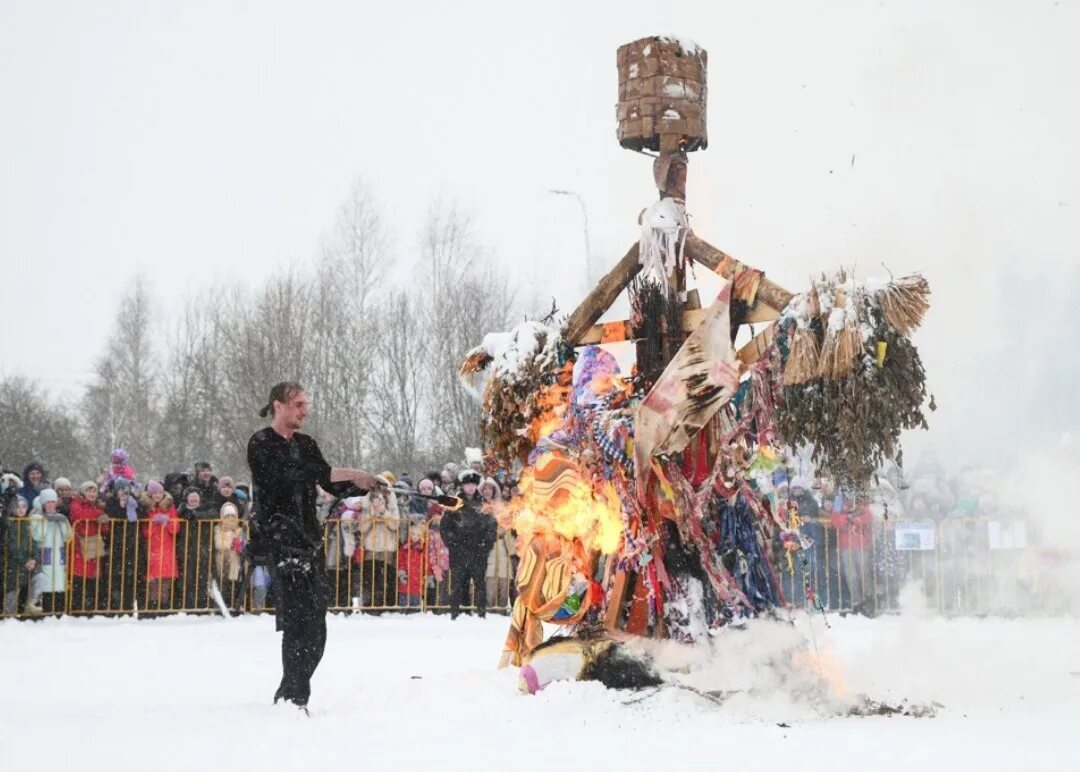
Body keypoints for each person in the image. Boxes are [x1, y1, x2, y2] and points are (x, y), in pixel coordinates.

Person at [246, 381, 376, 712]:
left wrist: (362, 485)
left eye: (305, 404)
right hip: (280, 538)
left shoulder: (306, 443)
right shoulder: (260, 443)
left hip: (309, 538)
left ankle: (291, 689)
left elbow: (325, 480)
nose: (305, 411)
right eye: (298, 404)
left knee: (317, 625)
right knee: (296, 621)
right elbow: (293, 475)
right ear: (279, 405)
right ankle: (294, 696)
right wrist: (349, 472)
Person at [441, 469, 497, 619]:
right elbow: (445, 527)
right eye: (467, 484)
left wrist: (485, 546)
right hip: (459, 552)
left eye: (473, 484)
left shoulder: (484, 504)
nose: (470, 487)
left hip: (478, 552)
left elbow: (492, 527)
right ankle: (454, 613)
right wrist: (453, 544)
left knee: (479, 583)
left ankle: (481, 613)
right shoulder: (454, 503)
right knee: (458, 584)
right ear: (462, 486)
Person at [29, 488, 71, 615]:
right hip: (45, 551)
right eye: (48, 502)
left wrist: (62, 522)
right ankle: (47, 609)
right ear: (43, 503)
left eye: (53, 501)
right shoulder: (37, 518)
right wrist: (45, 521)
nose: (51, 504)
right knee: (47, 581)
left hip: (59, 552)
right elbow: (37, 536)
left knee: (59, 580)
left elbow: (68, 535)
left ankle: (59, 610)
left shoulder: (61, 517)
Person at [69, 481, 109, 612]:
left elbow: (104, 529)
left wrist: (104, 523)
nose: (92, 494)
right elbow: (78, 515)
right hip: (80, 544)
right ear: (83, 492)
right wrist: (98, 515)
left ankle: (89, 607)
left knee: (92, 577)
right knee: (79, 577)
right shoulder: (76, 503)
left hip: (93, 543)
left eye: (94, 491)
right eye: (89, 491)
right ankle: (77, 607)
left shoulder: (97, 507)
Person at [141, 482, 180, 612]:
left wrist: (167, 521)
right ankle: (152, 605)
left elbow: (175, 529)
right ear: (150, 495)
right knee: (153, 580)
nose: (157, 495)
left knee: (166, 580)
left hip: (167, 547)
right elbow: (145, 532)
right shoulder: (147, 508)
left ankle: (163, 606)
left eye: (160, 492)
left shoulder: (170, 507)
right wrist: (153, 523)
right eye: (155, 493)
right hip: (153, 547)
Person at [3, 496, 36, 616]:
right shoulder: (10, 523)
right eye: (18, 507)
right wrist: (24, 560)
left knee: (25, 587)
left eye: (24, 507)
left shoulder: (27, 522)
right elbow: (11, 546)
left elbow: (34, 542)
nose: (21, 510)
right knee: (12, 588)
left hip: (26, 563)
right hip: (13, 563)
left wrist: (33, 558)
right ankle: (9, 614)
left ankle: (21, 613)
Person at [397, 522, 426, 609]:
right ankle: (403, 610)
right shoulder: (404, 547)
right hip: (406, 576)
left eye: (418, 535)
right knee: (403, 596)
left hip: (417, 578)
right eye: (413, 534)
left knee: (415, 599)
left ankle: (415, 611)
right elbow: (400, 560)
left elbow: (426, 562)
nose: (415, 536)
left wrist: (427, 574)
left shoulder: (422, 548)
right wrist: (401, 572)